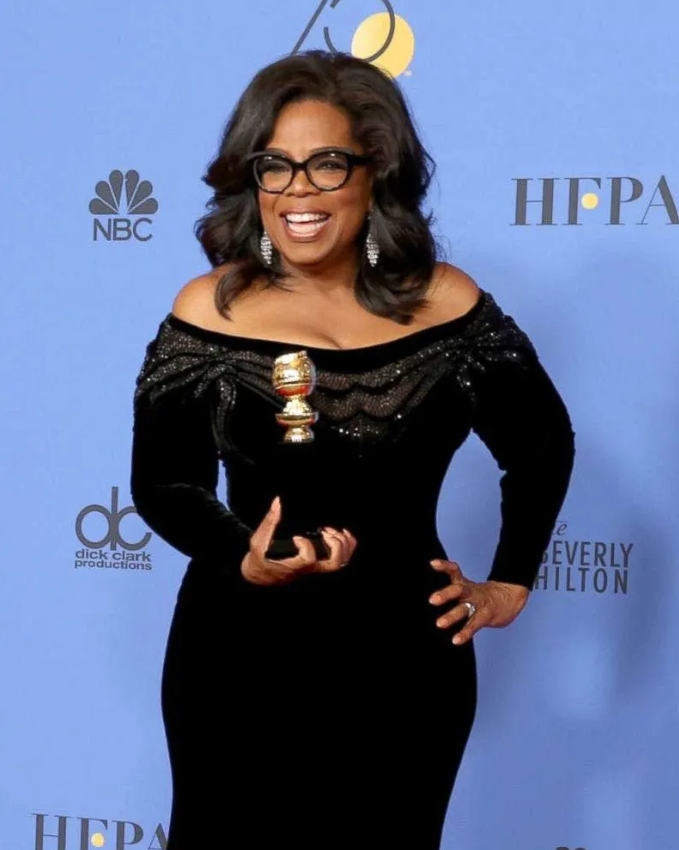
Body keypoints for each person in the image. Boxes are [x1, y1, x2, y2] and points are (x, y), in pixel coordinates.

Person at [130, 49, 576, 850]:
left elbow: (541, 445)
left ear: (377, 175)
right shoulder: (210, 308)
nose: (297, 192)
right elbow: (163, 481)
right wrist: (241, 556)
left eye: (326, 164)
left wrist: (509, 580)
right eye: (275, 166)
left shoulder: (448, 304)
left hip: (404, 660)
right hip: (239, 653)